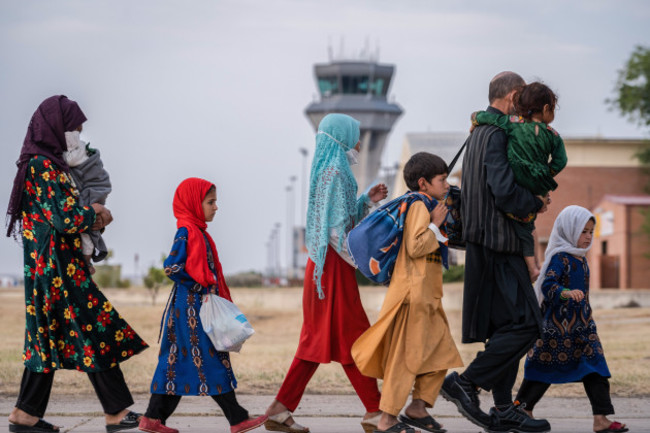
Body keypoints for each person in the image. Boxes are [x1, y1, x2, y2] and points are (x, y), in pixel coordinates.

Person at [6, 95, 148, 433]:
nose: (79, 133)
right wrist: (97, 214)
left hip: (57, 267)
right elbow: (65, 217)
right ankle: (115, 412)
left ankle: (25, 416)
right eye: (74, 127)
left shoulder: (49, 164)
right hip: (55, 269)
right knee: (92, 328)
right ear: (56, 127)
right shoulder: (42, 167)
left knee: (50, 336)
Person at [439, 72, 552, 433]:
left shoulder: (479, 133)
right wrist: (534, 202)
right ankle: (467, 383)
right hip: (497, 242)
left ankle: (504, 408)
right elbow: (504, 191)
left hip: (487, 242)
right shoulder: (497, 135)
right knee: (528, 325)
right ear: (515, 95)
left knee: (506, 327)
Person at [265, 113, 388, 433]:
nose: (359, 142)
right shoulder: (335, 172)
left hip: (325, 267)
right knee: (351, 335)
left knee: (325, 339)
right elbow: (336, 231)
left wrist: (366, 201)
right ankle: (374, 410)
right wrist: (360, 261)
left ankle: (281, 409)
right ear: (341, 138)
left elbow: (339, 218)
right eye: (355, 135)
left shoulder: (333, 171)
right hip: (332, 268)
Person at [139, 178, 267, 433]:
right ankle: (238, 418)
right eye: (210, 202)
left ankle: (152, 418)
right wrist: (199, 287)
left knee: (174, 361)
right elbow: (172, 267)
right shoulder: (186, 231)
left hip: (193, 307)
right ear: (193, 204)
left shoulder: (198, 232)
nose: (215, 207)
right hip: (191, 309)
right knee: (212, 357)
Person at [352, 152, 463, 433]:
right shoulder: (419, 206)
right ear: (424, 183)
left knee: (442, 354)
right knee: (405, 359)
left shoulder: (429, 204)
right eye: (442, 180)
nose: (447, 184)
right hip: (412, 296)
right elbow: (415, 246)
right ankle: (387, 419)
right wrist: (435, 224)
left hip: (429, 295)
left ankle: (418, 407)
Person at [515, 206, 628, 433]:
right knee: (542, 369)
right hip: (556, 329)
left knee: (596, 368)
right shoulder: (560, 258)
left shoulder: (582, 259)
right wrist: (565, 292)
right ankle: (522, 410)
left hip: (583, 328)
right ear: (568, 230)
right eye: (583, 231)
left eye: (590, 232)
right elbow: (547, 285)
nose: (587, 237)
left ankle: (601, 419)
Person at [471, 82, 567, 281]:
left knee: (524, 226)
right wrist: (546, 174)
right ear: (547, 109)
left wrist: (474, 119)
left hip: (518, 176)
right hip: (538, 181)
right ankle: (534, 266)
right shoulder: (554, 135)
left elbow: (486, 117)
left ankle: (532, 267)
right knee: (528, 224)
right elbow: (561, 160)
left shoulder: (513, 123)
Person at [63, 128, 112, 275]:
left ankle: (86, 263)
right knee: (88, 230)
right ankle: (86, 263)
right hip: (88, 196)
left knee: (88, 231)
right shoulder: (42, 164)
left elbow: (69, 159)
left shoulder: (74, 149)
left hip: (94, 190)